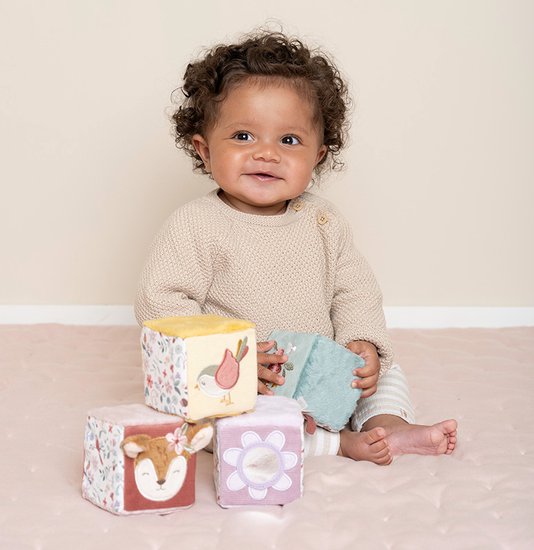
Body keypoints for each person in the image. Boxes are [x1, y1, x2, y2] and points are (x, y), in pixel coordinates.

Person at [135, 31, 457, 464]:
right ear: (204, 150)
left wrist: (362, 342)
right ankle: (335, 444)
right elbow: (162, 302)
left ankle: (388, 424)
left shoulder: (323, 222)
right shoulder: (195, 224)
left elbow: (355, 290)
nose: (266, 154)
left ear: (317, 157)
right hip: (246, 378)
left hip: (323, 373)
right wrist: (228, 359)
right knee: (209, 420)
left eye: (288, 141)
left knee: (385, 375)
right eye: (243, 136)